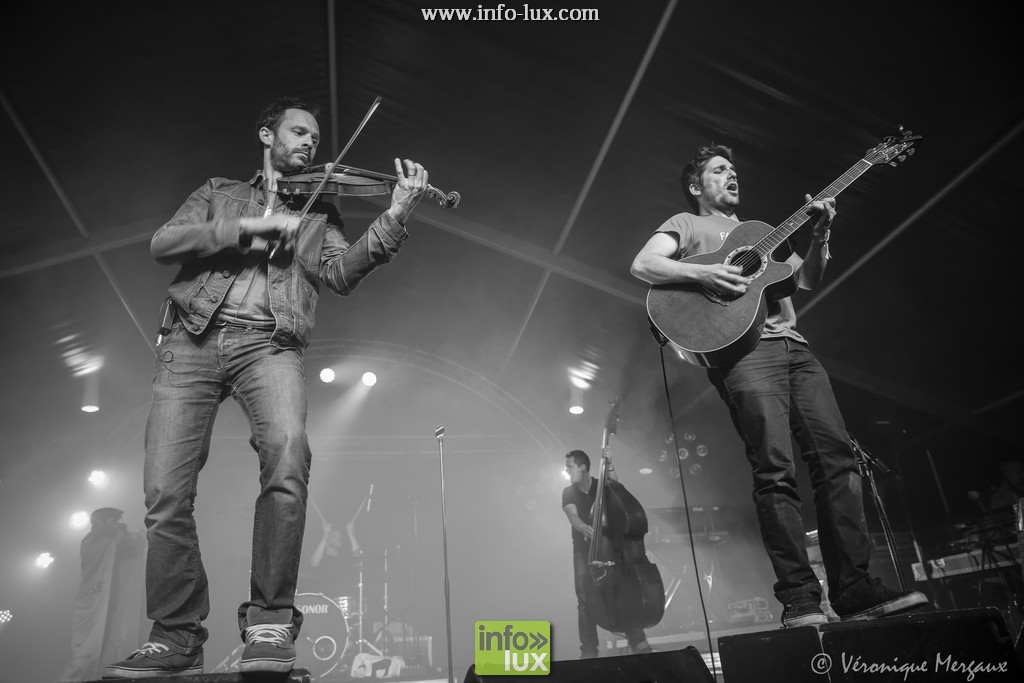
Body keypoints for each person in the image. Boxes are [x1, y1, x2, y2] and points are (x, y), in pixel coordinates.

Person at [104, 96, 429, 678]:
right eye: (299, 132)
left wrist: (396, 215)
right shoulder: (220, 191)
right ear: (266, 135)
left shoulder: (320, 212)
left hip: (270, 346)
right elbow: (164, 243)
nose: (310, 144)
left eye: (315, 138)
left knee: (287, 460)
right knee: (164, 492)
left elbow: (341, 273)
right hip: (191, 339)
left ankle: (270, 621)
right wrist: (248, 228)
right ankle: (177, 635)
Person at [630, 144, 927, 628]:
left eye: (733, 170)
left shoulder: (761, 232)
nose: (732, 175)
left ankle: (853, 590)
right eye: (719, 170)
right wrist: (708, 271)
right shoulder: (685, 224)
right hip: (745, 353)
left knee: (837, 461)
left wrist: (821, 232)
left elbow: (806, 279)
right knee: (775, 470)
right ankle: (800, 599)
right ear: (696, 186)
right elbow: (644, 265)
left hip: (797, 350)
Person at [561, 450, 652, 658]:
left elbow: (617, 489)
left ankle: (638, 641)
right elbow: (572, 516)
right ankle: (589, 650)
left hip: (610, 548)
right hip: (583, 552)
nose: (567, 471)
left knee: (623, 592)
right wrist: (583, 527)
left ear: (583, 467)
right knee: (584, 598)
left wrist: (609, 464)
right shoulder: (568, 492)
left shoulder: (600, 486)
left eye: (570, 467)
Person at [61, 508, 145, 681]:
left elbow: (131, 546)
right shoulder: (91, 540)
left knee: (110, 648)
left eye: (117, 520)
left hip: (109, 602)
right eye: (112, 520)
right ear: (100, 521)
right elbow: (113, 547)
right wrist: (120, 533)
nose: (116, 523)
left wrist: (140, 536)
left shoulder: (111, 538)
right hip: (91, 601)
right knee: (86, 653)